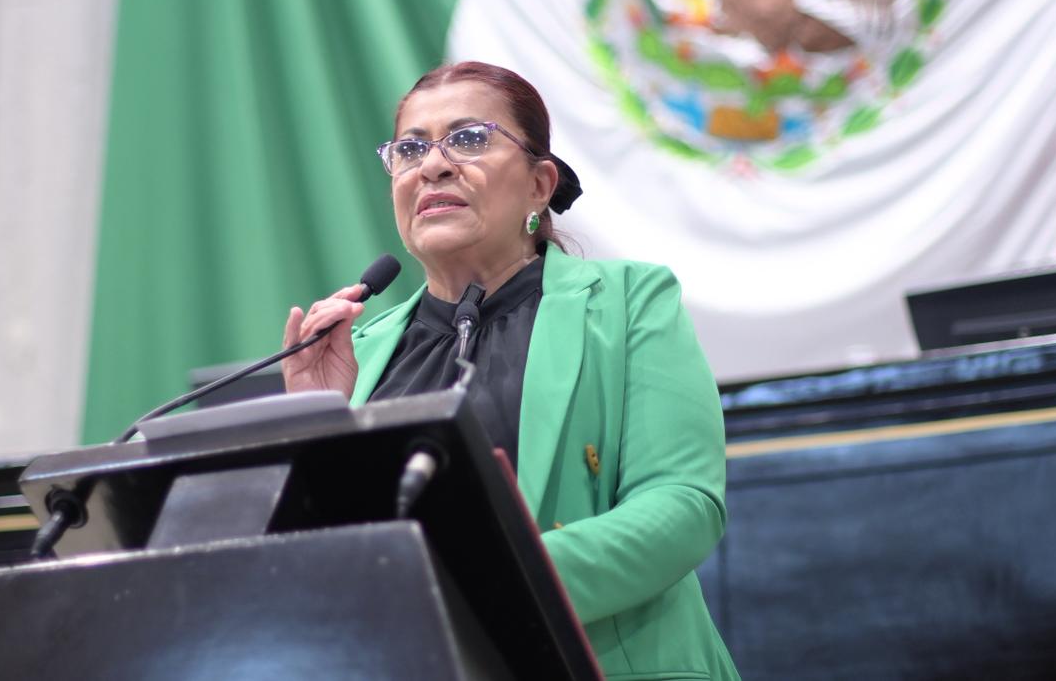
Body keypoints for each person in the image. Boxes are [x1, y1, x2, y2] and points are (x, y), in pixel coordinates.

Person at [282, 61, 739, 679]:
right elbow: (342, 561)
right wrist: (317, 425)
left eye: (469, 138)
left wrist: (495, 583)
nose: (432, 166)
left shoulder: (630, 301)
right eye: (410, 149)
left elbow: (683, 505)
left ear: (539, 184)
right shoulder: (356, 350)